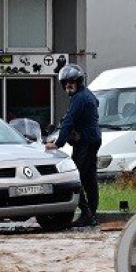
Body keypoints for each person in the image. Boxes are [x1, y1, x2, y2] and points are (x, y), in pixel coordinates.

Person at [47, 63, 101, 228]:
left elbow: (69, 122)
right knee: (89, 179)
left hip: (85, 143)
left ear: (79, 82)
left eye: (72, 81)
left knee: (75, 178)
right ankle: (92, 214)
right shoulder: (87, 95)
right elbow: (95, 104)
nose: (68, 85)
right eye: (66, 82)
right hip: (92, 140)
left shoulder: (78, 98)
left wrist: (58, 144)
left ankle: (87, 214)